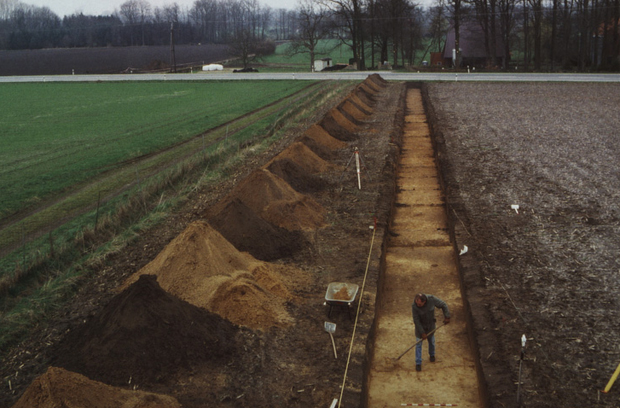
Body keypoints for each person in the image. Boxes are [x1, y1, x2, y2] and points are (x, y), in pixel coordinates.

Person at [411, 293, 450, 371]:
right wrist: (422, 332)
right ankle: (418, 363)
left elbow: (443, 305)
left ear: (424, 301)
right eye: (417, 303)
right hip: (420, 328)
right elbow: (416, 320)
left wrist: (447, 316)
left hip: (430, 327)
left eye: (420, 304)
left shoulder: (432, 299)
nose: (418, 305)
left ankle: (432, 355)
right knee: (418, 345)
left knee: (431, 342)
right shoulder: (414, 306)